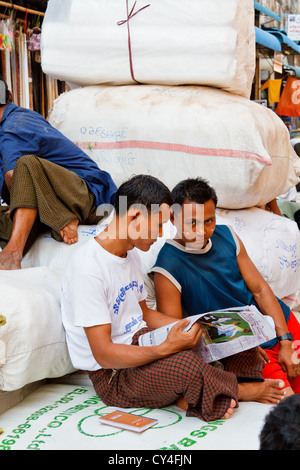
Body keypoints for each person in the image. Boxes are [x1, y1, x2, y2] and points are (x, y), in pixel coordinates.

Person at [61, 174, 285, 423]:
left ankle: (196, 390)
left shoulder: (130, 254)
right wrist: (164, 349)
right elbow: (104, 354)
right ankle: (240, 390)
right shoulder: (87, 268)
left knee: (227, 340)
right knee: (186, 366)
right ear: (135, 217)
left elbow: (144, 314)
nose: (160, 234)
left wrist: (199, 328)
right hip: (115, 374)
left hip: (144, 341)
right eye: (157, 226)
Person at [152, 177, 300, 398]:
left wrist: (286, 340)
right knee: (288, 403)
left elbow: (260, 289)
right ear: (173, 218)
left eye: (209, 221)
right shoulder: (168, 266)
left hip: (279, 322)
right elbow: (179, 332)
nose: (202, 231)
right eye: (192, 222)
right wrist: (237, 349)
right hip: (243, 345)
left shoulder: (227, 235)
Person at [0, 77, 117, 269]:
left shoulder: (11, 128)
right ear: (10, 96)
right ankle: (60, 217)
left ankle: (14, 253)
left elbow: (13, 176)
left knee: (25, 164)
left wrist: (16, 206)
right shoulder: (23, 116)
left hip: (86, 196)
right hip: (65, 196)